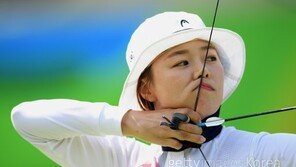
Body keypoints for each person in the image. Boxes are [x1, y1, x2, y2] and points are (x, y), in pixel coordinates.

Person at [11, 11, 296, 167]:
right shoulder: (123, 159)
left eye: (210, 57)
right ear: (147, 90)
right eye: (182, 62)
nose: (202, 69)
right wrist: (130, 121)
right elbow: (25, 119)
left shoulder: (268, 153)